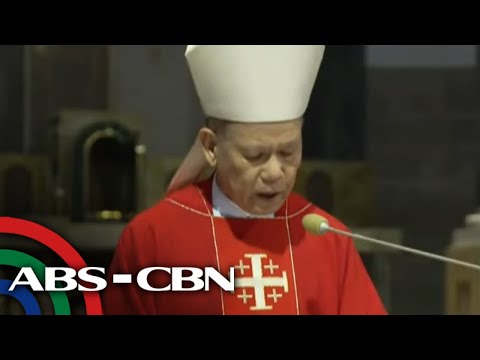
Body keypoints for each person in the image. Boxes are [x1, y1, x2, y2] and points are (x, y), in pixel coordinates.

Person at [101, 45, 387, 315]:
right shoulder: (154, 238)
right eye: (255, 155)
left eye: (288, 152)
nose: (275, 172)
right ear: (211, 148)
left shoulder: (327, 239)